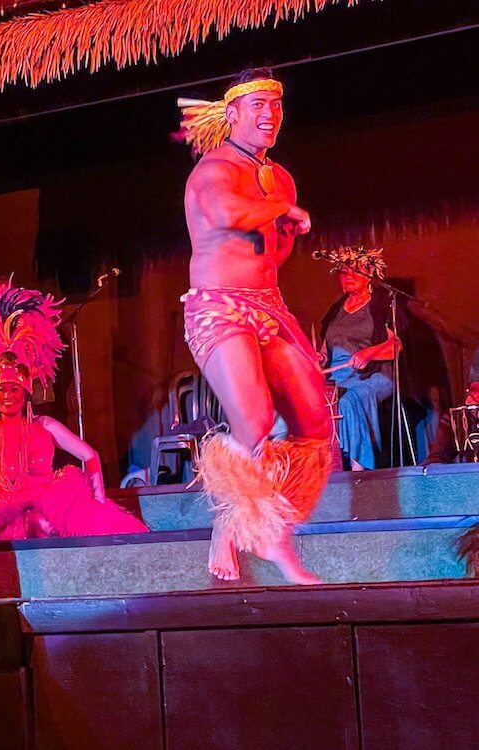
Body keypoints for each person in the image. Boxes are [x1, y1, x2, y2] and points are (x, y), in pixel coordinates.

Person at [178, 68, 332, 584]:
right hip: (216, 307)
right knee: (256, 422)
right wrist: (281, 207)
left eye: (275, 105)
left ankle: (266, 526)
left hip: (269, 304)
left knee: (314, 427)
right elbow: (225, 215)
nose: (269, 114)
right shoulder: (212, 170)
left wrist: (284, 229)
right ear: (233, 114)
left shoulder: (279, 176)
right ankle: (237, 526)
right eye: (257, 105)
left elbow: (270, 254)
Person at [0, 279, 148, 542]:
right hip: (6, 514)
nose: (8, 396)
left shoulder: (44, 425)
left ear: (26, 394)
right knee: (30, 524)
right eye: (2, 391)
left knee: (43, 521)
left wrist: (98, 500)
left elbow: (89, 456)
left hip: (47, 509)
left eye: (14, 390)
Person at [319, 246, 399, 471]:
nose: (349, 276)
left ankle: (359, 470)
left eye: (355, 271)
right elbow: (325, 351)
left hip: (373, 376)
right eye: (344, 272)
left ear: (370, 274)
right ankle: (327, 470)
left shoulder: (381, 305)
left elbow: (396, 346)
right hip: (338, 379)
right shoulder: (335, 310)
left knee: (349, 401)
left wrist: (369, 353)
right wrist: (319, 357)